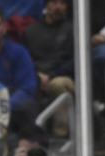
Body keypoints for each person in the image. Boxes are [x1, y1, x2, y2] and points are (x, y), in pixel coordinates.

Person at [22, 0, 74, 137]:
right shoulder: (30, 31)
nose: (58, 7)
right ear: (46, 5)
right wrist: (38, 76)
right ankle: (30, 135)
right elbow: (26, 60)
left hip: (65, 77)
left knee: (58, 84)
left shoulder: (73, 30)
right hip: (37, 76)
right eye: (54, 3)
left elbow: (74, 62)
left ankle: (60, 135)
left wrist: (51, 76)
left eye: (62, 3)